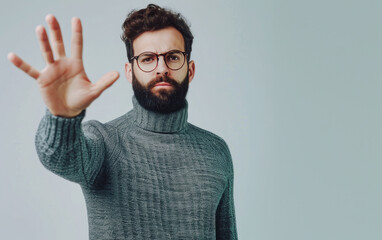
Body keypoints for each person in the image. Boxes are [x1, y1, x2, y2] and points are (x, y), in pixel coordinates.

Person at [8, 4, 238, 240]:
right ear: (130, 71)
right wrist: (62, 116)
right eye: (148, 59)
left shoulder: (216, 151)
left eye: (173, 57)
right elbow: (59, 156)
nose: (162, 68)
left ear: (190, 70)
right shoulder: (104, 141)